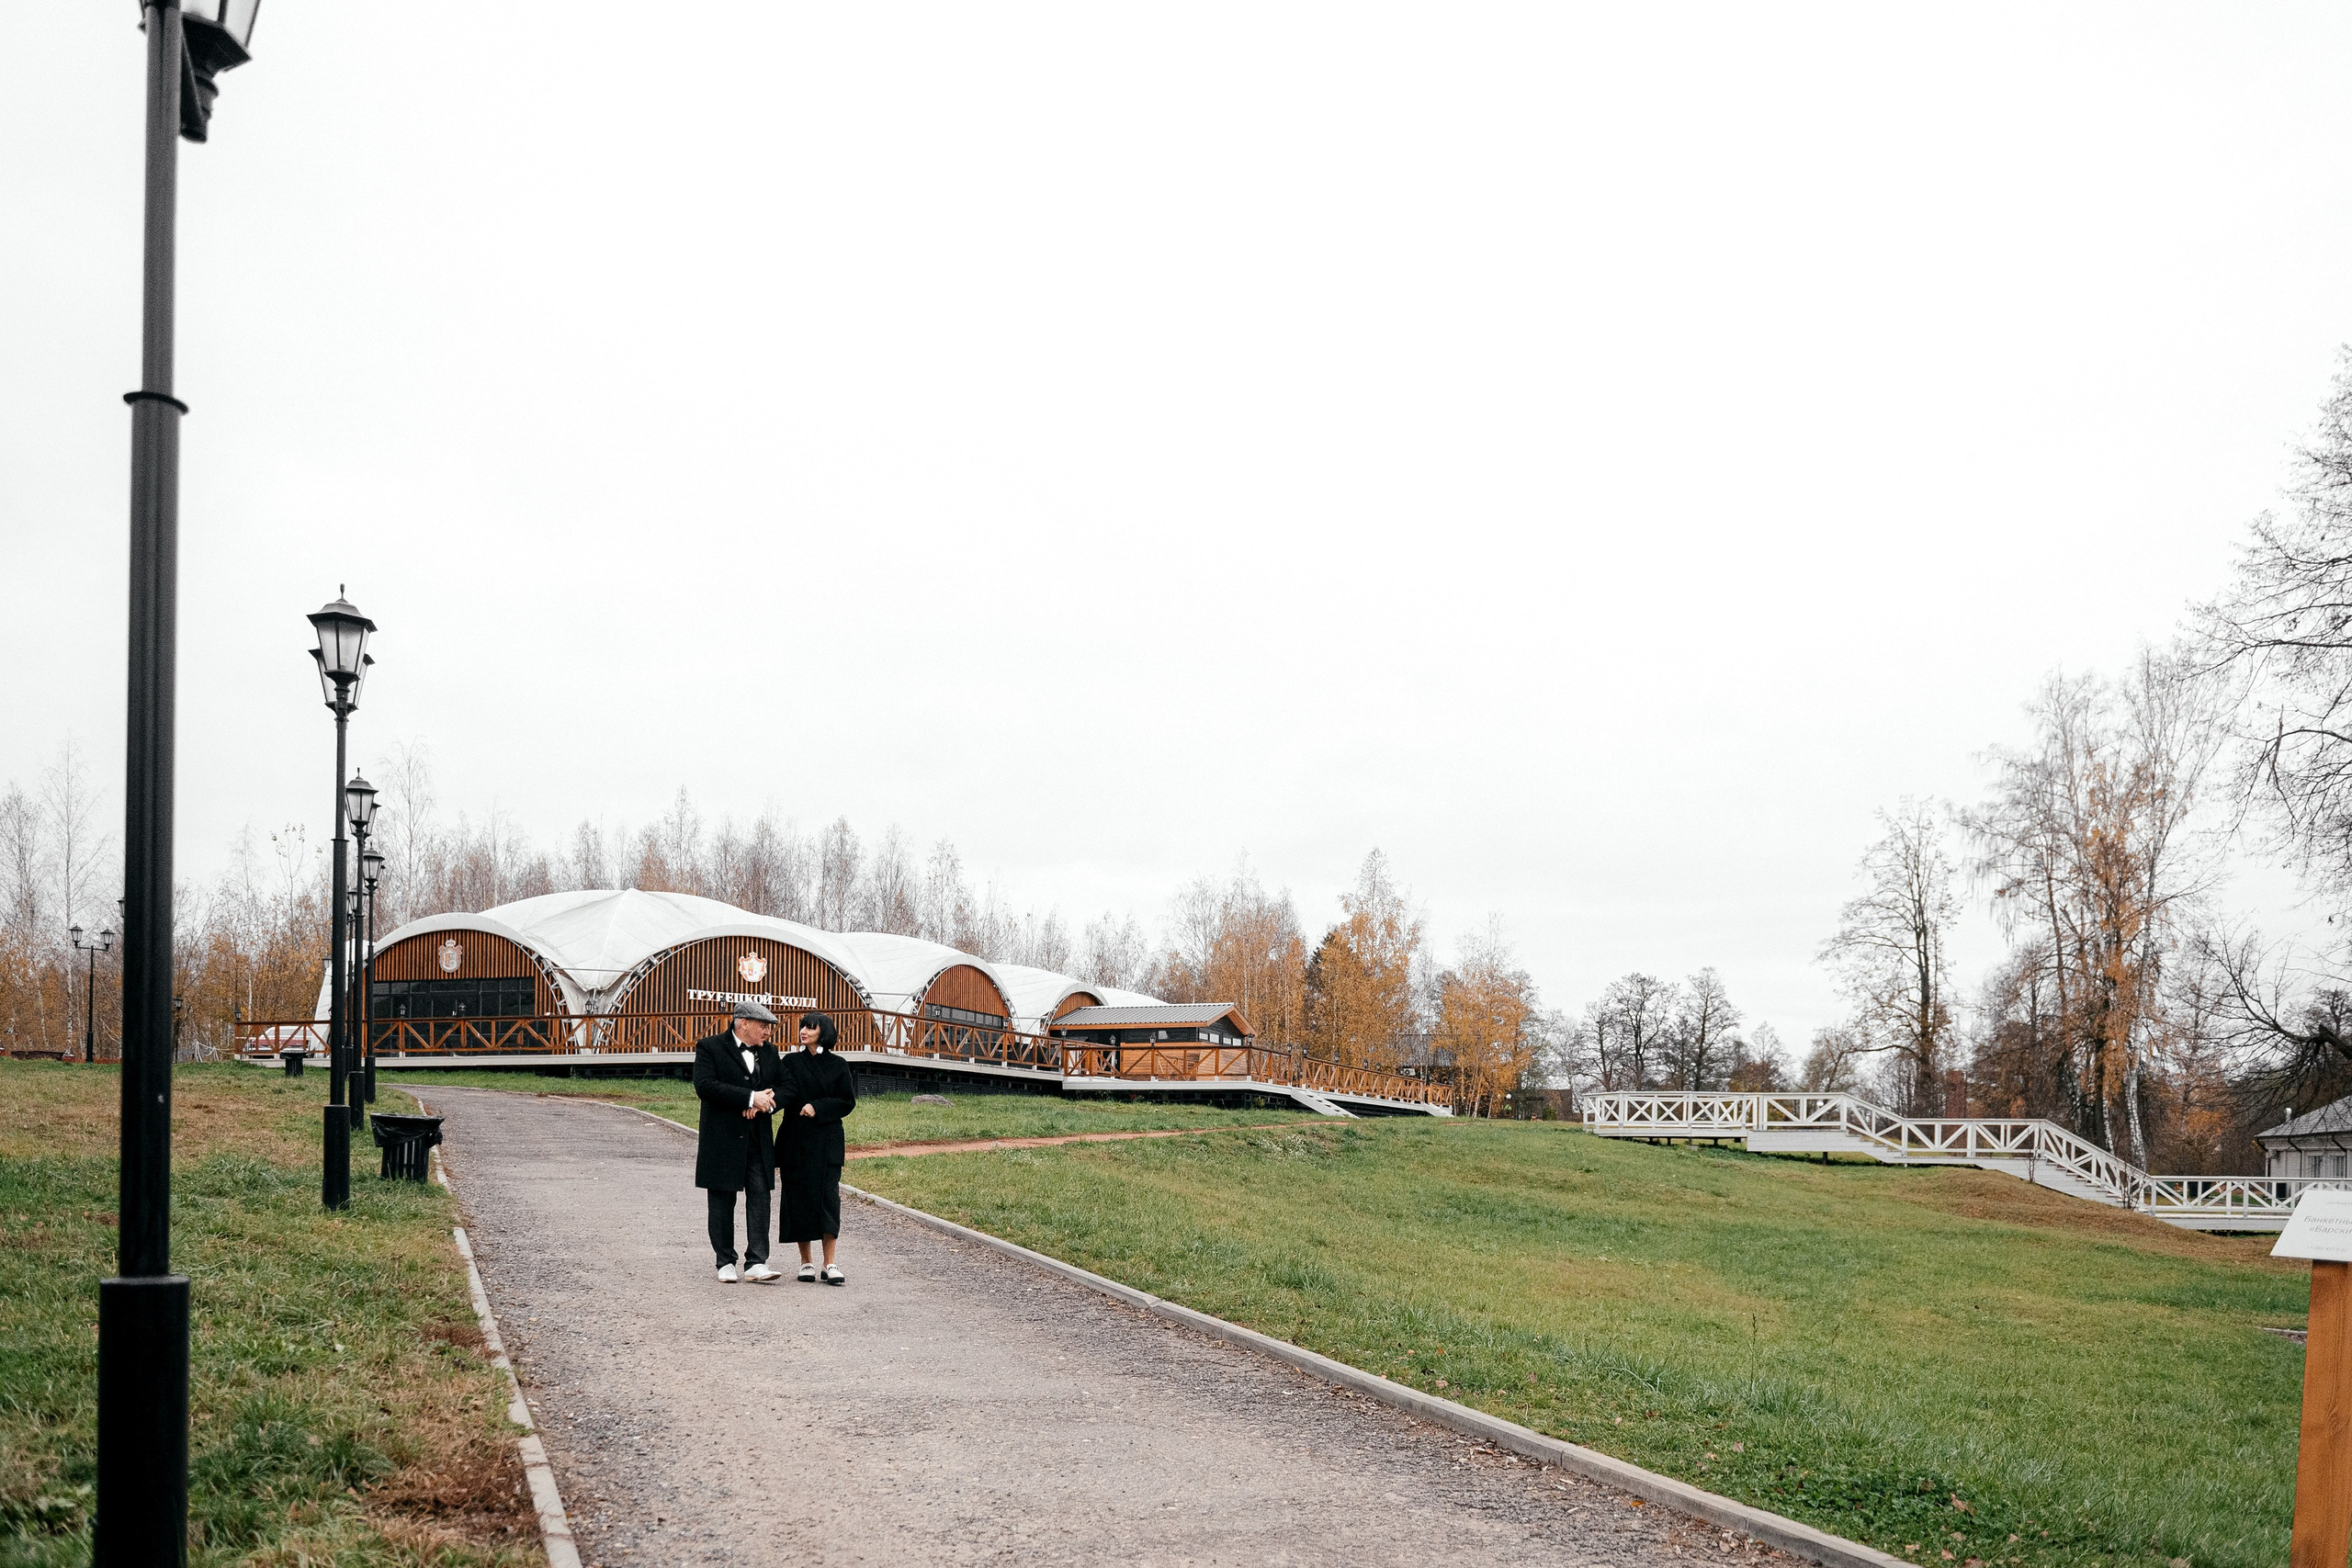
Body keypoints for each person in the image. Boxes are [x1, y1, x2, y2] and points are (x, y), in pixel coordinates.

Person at [694, 998, 784, 1284]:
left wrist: (764, 1103)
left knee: (760, 1197)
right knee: (721, 1199)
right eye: (763, 1026)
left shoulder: (770, 1052)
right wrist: (747, 1097)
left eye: (770, 1027)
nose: (768, 1032)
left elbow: (788, 1085)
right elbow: (705, 1086)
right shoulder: (710, 1047)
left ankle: (757, 1262)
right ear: (742, 1023)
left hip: (758, 1139)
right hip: (722, 1139)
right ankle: (725, 1262)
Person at [777, 1010, 857, 1284]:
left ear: (823, 1032)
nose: (804, 1032)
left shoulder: (838, 1064)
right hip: (795, 1140)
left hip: (827, 1141)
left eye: (811, 1028)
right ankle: (806, 1262)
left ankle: (830, 1263)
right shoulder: (790, 1062)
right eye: (803, 1027)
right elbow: (782, 1092)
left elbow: (847, 1101)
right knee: (798, 1198)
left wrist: (818, 1107)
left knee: (828, 1200)